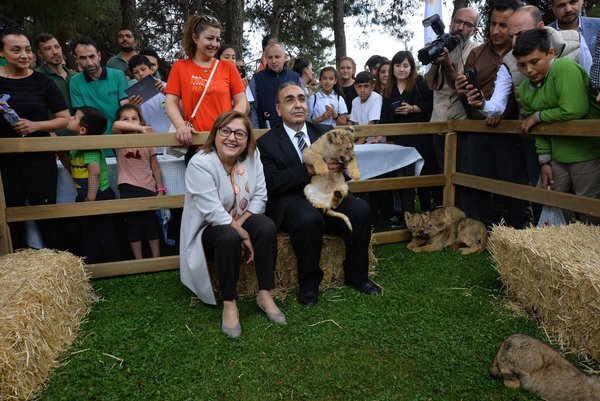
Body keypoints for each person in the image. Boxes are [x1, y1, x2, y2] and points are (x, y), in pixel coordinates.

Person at [257, 82, 380, 307]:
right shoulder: (266, 143)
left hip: (327, 193)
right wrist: (308, 170)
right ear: (278, 109)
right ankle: (309, 284)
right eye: (289, 100)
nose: (298, 105)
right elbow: (272, 182)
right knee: (308, 218)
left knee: (361, 210)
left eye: (301, 99)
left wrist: (342, 166)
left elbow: (346, 167)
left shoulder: (324, 132)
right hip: (292, 200)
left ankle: (357, 276)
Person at [180, 111, 285, 338]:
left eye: (240, 133)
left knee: (266, 226)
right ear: (215, 133)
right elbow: (213, 213)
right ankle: (230, 303)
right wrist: (242, 233)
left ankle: (265, 294)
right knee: (229, 236)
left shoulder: (252, 156)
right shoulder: (200, 163)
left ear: (247, 139)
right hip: (208, 228)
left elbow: (261, 196)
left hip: (238, 217)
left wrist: (241, 224)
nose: (232, 138)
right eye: (225, 131)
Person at [514, 28, 600, 224]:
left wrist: (538, 116)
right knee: (552, 200)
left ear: (550, 53)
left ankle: (590, 244)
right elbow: (537, 129)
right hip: (556, 155)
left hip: (587, 152)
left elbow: (575, 109)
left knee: (588, 208)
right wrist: (544, 161)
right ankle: (565, 243)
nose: (528, 70)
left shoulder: (564, 67)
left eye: (534, 61)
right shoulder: (525, 88)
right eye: (522, 65)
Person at [456, 0, 525, 229]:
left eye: (503, 25)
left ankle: (517, 236)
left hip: (510, 133)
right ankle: (482, 235)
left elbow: (522, 93)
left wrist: (504, 114)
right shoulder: (476, 54)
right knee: (479, 187)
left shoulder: (523, 53)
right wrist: (463, 90)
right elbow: (468, 94)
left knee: (513, 189)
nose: (495, 30)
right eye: (493, 24)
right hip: (478, 131)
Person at [0, 27, 69, 250]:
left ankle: (53, 259)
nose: (24, 55)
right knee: (10, 216)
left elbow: (64, 119)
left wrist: (35, 125)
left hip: (39, 160)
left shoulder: (43, 82)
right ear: (2, 52)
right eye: (16, 50)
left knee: (46, 213)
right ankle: (13, 261)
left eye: (28, 50)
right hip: (4, 163)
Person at [165, 15, 247, 164]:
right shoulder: (180, 67)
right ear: (195, 38)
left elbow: (241, 101)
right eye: (210, 38)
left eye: (218, 39)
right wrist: (181, 126)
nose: (215, 44)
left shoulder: (228, 67)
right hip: (196, 143)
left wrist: (229, 126)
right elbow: (170, 102)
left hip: (225, 142)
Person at [424, 7, 479, 204]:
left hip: (462, 124)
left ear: (474, 30)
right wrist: (434, 61)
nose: (461, 28)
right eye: (458, 22)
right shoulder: (441, 45)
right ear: (451, 23)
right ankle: (449, 216)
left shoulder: (475, 51)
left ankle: (466, 217)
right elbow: (430, 84)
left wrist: (447, 64)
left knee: (463, 176)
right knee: (444, 176)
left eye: (468, 24)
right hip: (438, 122)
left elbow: (462, 87)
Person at [380, 51, 436, 216]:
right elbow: (385, 116)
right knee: (404, 175)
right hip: (400, 139)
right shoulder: (389, 89)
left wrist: (412, 108)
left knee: (424, 173)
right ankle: (407, 214)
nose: (401, 69)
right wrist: (382, 135)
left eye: (405, 65)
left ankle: (427, 212)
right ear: (393, 68)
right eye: (398, 65)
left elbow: (432, 102)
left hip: (421, 136)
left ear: (411, 67)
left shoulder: (419, 82)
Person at [65, 106, 121, 263]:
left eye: (74, 117)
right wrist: (61, 153)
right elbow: (73, 168)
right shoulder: (75, 146)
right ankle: (94, 262)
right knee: (87, 233)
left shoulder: (89, 147)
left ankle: (113, 263)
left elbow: (94, 173)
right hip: (84, 196)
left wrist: (90, 200)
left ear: (82, 130)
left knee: (104, 233)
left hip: (98, 195)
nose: (70, 118)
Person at [112, 104, 165, 259]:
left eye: (134, 118)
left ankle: (156, 260)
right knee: (132, 226)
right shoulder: (118, 139)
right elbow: (116, 125)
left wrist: (160, 189)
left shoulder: (147, 142)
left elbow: (155, 168)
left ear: (141, 121)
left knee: (151, 224)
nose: (130, 122)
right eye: (125, 119)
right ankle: (139, 261)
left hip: (148, 187)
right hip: (127, 187)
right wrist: (141, 129)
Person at [69, 37, 130, 150]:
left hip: (120, 141)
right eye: (83, 58)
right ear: (76, 60)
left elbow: (125, 109)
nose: (89, 62)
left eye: (92, 56)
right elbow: (80, 116)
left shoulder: (118, 75)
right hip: (93, 145)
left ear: (99, 56)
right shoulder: (75, 81)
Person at [247, 42, 302, 129]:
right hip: (265, 131)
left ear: (285, 57)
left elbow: (303, 104)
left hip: (292, 130)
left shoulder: (295, 78)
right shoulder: (256, 79)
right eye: (270, 57)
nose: (273, 61)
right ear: (265, 58)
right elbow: (252, 108)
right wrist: (256, 130)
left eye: (277, 57)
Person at [34, 33, 74, 136]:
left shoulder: (74, 76)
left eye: (57, 47)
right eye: (48, 49)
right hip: (53, 137)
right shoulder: (36, 76)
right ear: (40, 54)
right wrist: (50, 133)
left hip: (78, 136)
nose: (55, 52)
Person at [128, 55, 170, 150]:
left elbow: (182, 111)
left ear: (151, 69)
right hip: (150, 145)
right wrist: (135, 109)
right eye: (136, 72)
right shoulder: (134, 97)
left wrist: (167, 93)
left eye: (143, 69)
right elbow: (136, 126)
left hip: (171, 140)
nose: (140, 74)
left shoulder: (168, 87)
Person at [349, 71, 383, 143]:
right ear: (355, 87)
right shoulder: (355, 101)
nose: (362, 90)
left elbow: (371, 123)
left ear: (372, 86)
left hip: (376, 141)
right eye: (359, 86)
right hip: (363, 141)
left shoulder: (376, 98)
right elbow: (356, 125)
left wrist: (358, 144)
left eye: (366, 86)